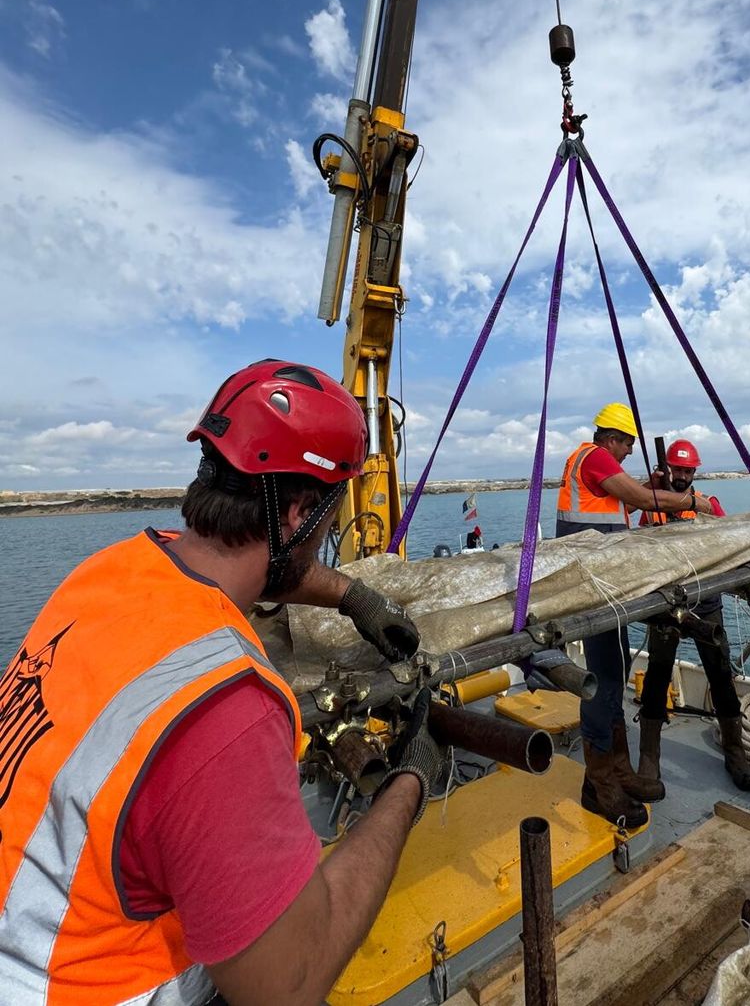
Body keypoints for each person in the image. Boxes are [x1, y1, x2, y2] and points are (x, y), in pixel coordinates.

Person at [0, 359, 442, 1006]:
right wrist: (408, 785)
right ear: (298, 512)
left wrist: (351, 595)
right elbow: (286, 982)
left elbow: (249, 558)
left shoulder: (108, 573)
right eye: (327, 518)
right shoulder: (223, 707)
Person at [555, 403, 699, 827]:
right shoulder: (594, 456)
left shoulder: (594, 463)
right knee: (601, 682)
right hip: (594, 582)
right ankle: (597, 784)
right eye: (627, 445)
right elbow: (637, 499)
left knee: (615, 673)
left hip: (606, 582)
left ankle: (618, 770)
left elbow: (624, 508)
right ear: (612, 438)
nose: (628, 454)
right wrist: (688, 500)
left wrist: (648, 488)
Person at [637, 439, 750, 793]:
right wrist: (652, 489)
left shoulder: (707, 504)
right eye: (678, 470)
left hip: (706, 603)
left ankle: (735, 751)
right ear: (668, 469)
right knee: (657, 679)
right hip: (666, 606)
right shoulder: (652, 507)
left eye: (689, 471)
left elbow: (728, 536)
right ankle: (649, 757)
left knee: (721, 675)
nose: (684, 476)